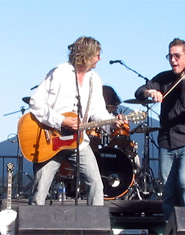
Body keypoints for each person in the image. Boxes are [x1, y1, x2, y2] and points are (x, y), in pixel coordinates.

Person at [28, 36, 126, 205]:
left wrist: (112, 121)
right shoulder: (59, 72)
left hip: (77, 141)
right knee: (40, 189)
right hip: (51, 139)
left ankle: (95, 227)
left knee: (95, 182)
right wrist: (61, 121)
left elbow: (97, 111)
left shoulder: (94, 79)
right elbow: (36, 102)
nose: (100, 58)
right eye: (97, 54)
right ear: (87, 55)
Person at [134, 38, 185, 221]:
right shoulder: (163, 78)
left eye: (177, 56)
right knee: (167, 191)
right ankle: (171, 226)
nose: (173, 60)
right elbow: (139, 91)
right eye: (170, 56)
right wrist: (149, 92)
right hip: (166, 142)